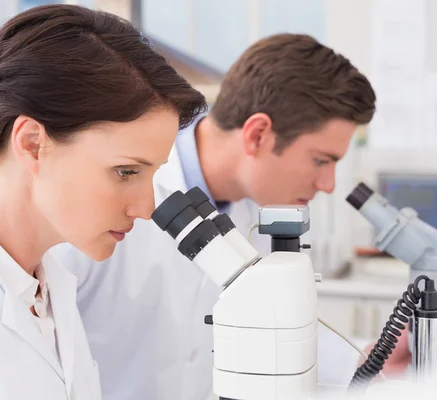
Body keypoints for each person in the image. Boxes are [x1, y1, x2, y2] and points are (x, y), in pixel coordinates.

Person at [49, 33, 376, 400]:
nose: (328, 184)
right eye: (321, 160)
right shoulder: (109, 194)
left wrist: (368, 358)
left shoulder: (263, 217)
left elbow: (277, 334)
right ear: (258, 135)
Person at [0, 4, 206, 400]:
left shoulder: (47, 284)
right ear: (31, 143)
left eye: (153, 174)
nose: (146, 209)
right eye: (126, 172)